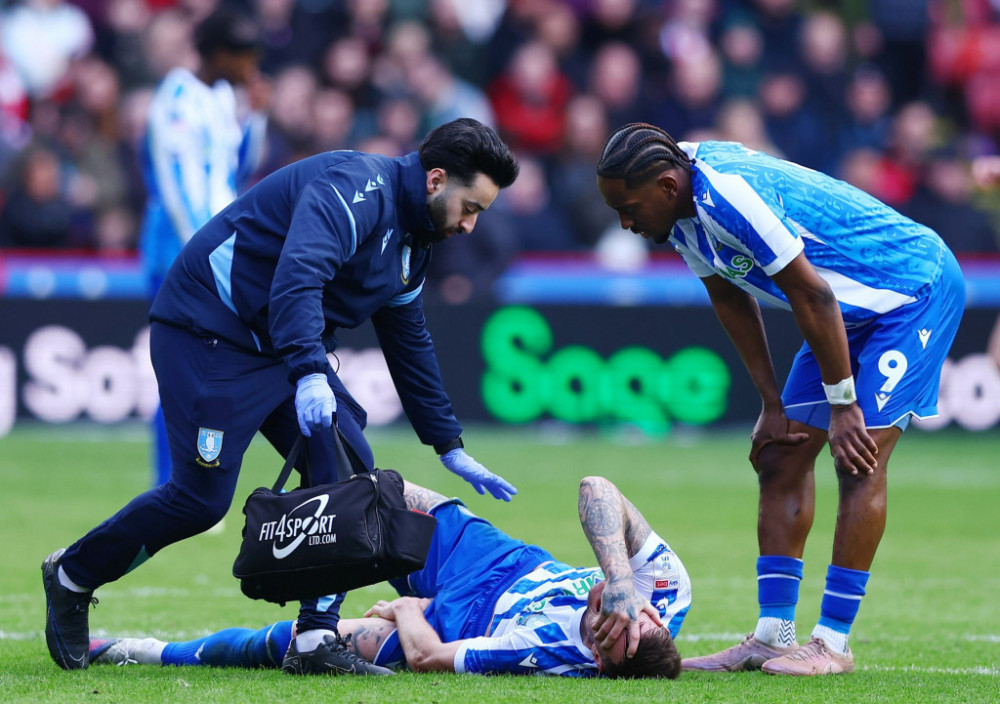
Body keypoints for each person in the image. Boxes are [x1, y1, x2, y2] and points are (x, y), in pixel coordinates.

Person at [42, 117, 520, 676]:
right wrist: (311, 371)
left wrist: (448, 443)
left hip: (279, 345)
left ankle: (315, 638)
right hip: (209, 330)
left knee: (347, 471)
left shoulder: (415, 243)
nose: (469, 225)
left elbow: (408, 338)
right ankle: (71, 575)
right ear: (436, 180)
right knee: (199, 501)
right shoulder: (356, 189)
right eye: (470, 207)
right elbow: (299, 275)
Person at [595, 123, 964, 676]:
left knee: (859, 458)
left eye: (627, 208)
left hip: (911, 292)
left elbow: (811, 293)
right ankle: (773, 636)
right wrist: (771, 404)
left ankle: (832, 643)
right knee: (781, 454)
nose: (626, 223)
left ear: (667, 186)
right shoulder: (678, 215)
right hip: (841, 309)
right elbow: (728, 297)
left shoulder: (729, 195)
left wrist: (844, 407)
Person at [87, 475, 690, 678]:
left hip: (461, 623)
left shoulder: (548, 654)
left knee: (297, 646)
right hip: (500, 562)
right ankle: (286, 536)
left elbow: (430, 658)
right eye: (624, 612)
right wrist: (620, 578)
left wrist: (404, 609)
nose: (603, 610)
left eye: (601, 628)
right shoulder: (664, 586)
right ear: (653, 615)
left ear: (599, 661)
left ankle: (144, 650)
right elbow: (595, 487)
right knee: (378, 495)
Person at [140, 8, 269, 487]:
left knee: (211, 373)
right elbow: (176, 189)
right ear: (219, 53)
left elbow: (239, 168)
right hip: (180, 256)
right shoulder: (175, 100)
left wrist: (256, 116)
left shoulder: (221, 97)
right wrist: (204, 256)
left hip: (219, 252)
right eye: (245, 57)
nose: (251, 67)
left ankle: (195, 482)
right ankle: (170, 485)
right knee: (180, 372)